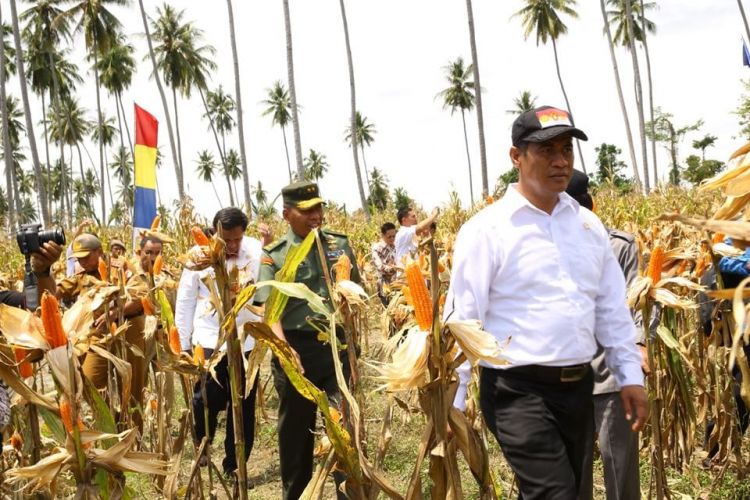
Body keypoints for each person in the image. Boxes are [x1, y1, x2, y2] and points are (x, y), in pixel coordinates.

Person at [447, 106, 649, 499]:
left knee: (565, 490)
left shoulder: (588, 228)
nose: (560, 161)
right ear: (516, 157)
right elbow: (463, 319)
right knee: (555, 494)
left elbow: (611, 311)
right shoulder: (486, 231)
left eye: (566, 150)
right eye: (546, 151)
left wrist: (630, 377)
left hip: (577, 387)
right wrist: (454, 403)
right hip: (516, 390)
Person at [254, 180, 361, 500]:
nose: (316, 215)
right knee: (296, 436)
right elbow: (268, 310)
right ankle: (297, 495)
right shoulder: (275, 256)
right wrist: (285, 350)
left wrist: (353, 346)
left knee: (344, 431)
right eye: (307, 210)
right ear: (287, 214)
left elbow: (355, 294)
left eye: (318, 208)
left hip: (337, 347)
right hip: (295, 350)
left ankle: (349, 492)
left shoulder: (339, 245)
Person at [566, 170, 645, 500]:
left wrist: (639, 344)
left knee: (615, 464)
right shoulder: (544, 248)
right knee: (582, 467)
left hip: (611, 372)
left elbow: (637, 299)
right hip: (569, 376)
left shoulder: (620, 246)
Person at [175, 207, 263, 478]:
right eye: (227, 240)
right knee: (207, 398)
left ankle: (234, 465)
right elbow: (186, 301)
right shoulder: (197, 258)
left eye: (238, 239)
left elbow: (264, 295)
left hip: (245, 340)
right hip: (210, 339)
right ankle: (203, 439)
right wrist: (184, 343)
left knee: (243, 406)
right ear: (215, 234)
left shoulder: (256, 253)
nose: (233, 245)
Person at [371, 222, 397, 304]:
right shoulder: (377, 249)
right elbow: (380, 267)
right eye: (389, 237)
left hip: (397, 284)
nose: (392, 239)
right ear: (382, 236)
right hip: (384, 286)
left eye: (394, 236)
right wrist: (393, 268)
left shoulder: (396, 246)